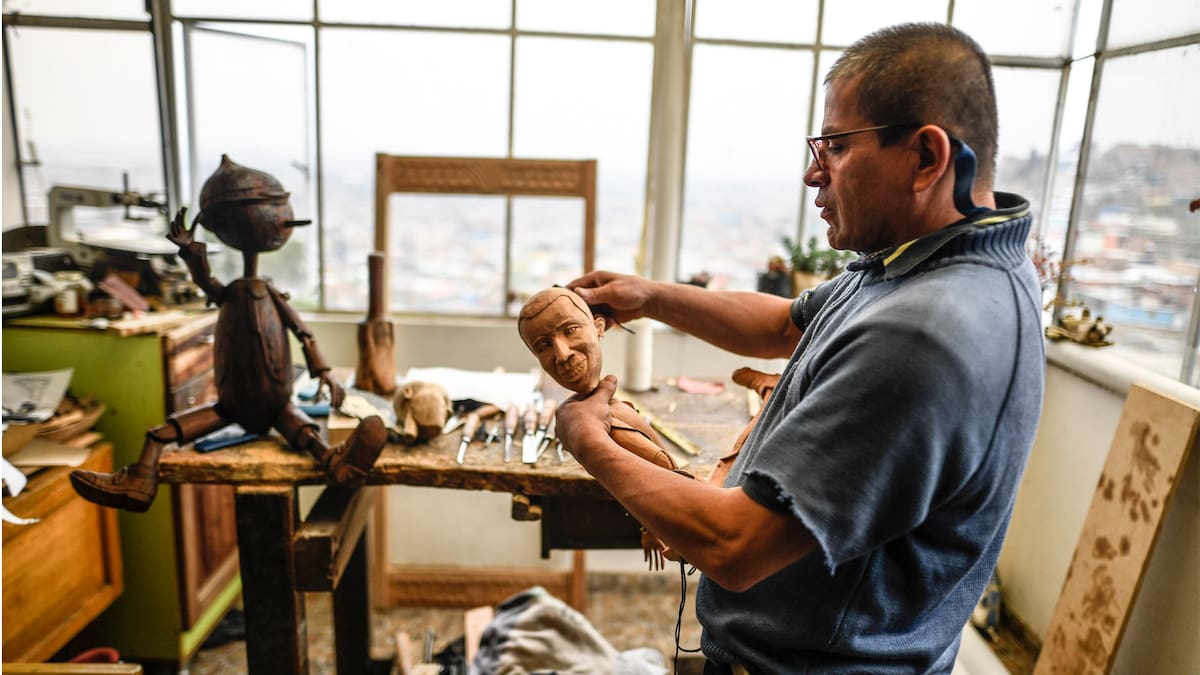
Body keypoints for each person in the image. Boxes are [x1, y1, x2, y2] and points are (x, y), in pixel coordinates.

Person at [555, 22, 1045, 673]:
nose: (813, 173)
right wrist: (649, 296)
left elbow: (734, 546)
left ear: (926, 158)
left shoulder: (924, 332)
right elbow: (785, 326)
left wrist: (586, 438)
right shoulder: (920, 261)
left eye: (836, 147)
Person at [70, 156, 388, 512]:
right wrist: (191, 253)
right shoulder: (235, 293)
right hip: (233, 404)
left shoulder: (264, 293)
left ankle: (335, 463)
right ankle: (140, 481)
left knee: (304, 431)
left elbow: (303, 331)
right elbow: (212, 284)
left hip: (273, 402)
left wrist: (324, 372)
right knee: (161, 434)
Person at [517, 287, 682, 568]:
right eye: (543, 346)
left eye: (570, 330)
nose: (562, 355)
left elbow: (665, 471)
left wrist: (652, 526)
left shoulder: (608, 420)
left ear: (599, 327)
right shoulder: (594, 413)